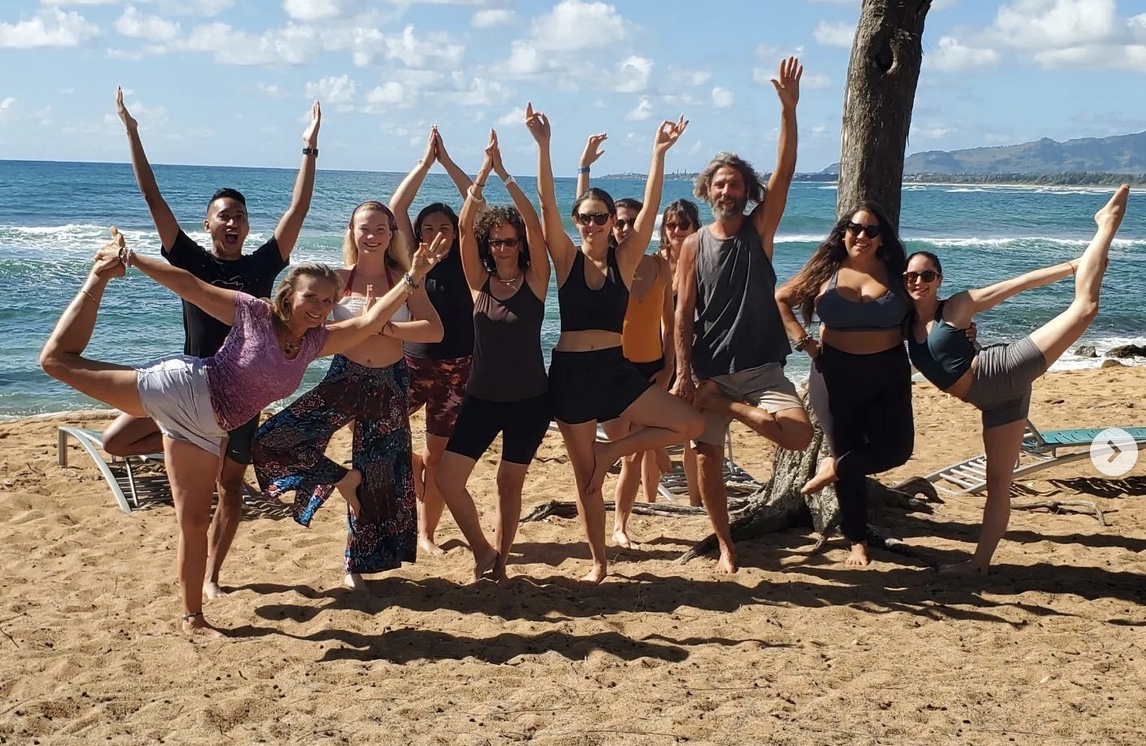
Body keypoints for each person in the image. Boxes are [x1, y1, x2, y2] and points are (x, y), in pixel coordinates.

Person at [40, 228, 447, 636]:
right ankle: (98, 277)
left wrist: (413, 277)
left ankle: (193, 618)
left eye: (328, 300)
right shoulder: (255, 313)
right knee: (57, 362)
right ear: (289, 295)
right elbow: (191, 285)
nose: (320, 307)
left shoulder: (316, 342)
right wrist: (131, 258)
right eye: (311, 297)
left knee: (195, 521)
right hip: (182, 390)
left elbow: (373, 320)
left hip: (206, 430)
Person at [104, 88, 320, 599]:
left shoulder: (263, 267)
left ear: (246, 226)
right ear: (208, 223)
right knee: (115, 441)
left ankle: (214, 576)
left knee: (230, 492)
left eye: (238, 216)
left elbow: (299, 207)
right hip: (186, 389)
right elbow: (154, 199)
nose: (231, 222)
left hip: (241, 399)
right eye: (222, 215)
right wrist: (133, 136)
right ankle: (184, 443)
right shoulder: (192, 262)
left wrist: (309, 147)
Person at [905, 185, 1128, 575]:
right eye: (911, 276)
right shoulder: (902, 325)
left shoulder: (956, 306)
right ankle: (978, 564)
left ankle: (1104, 226)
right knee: (998, 481)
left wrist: (1074, 266)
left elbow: (1018, 284)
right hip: (995, 402)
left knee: (1085, 308)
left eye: (927, 275)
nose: (918, 281)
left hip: (1002, 368)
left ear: (939, 279)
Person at [528, 102, 703, 584]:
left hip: (614, 370)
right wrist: (544, 147)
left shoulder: (626, 262)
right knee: (585, 481)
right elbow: (546, 205)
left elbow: (648, 212)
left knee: (688, 422)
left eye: (600, 216)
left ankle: (613, 452)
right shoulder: (565, 258)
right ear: (578, 219)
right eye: (584, 216)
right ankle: (600, 560)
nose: (592, 223)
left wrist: (658, 153)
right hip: (569, 377)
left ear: (610, 220)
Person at [251, 201, 443, 592]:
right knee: (272, 439)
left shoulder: (405, 279)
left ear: (392, 235)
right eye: (363, 229)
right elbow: (302, 314)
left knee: (379, 476)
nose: (371, 237)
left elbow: (434, 331)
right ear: (351, 233)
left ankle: (354, 564)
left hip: (389, 385)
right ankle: (341, 478)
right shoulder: (337, 281)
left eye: (380, 230)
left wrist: (385, 327)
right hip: (345, 378)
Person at [672, 56, 811, 575]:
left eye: (736, 185)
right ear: (707, 191)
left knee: (798, 435)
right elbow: (684, 312)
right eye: (720, 184)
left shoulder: (759, 231)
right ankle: (726, 544)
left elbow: (787, 167)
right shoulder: (691, 245)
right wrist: (685, 372)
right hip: (709, 369)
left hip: (761, 369)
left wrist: (789, 110)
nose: (728, 191)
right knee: (706, 460)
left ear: (746, 193)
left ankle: (727, 409)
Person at [434, 129, 552, 583]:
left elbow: (536, 226)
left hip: (529, 400)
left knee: (509, 484)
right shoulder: (478, 284)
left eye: (509, 241)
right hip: (481, 398)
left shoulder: (536, 281)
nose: (503, 248)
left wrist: (505, 174)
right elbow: (465, 227)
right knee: (447, 479)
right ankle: (483, 551)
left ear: (519, 245)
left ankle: (499, 565)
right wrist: (481, 173)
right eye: (496, 242)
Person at [776, 202, 913, 567]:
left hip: (889, 371)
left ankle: (832, 468)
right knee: (848, 448)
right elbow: (782, 298)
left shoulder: (898, 272)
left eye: (871, 231)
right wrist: (805, 344)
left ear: (882, 238)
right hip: (834, 372)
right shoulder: (827, 269)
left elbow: (928, 308)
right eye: (855, 229)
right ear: (844, 232)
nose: (862, 237)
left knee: (897, 450)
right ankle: (857, 540)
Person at [576, 143, 676, 545]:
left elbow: (670, 321)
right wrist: (584, 167)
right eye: (618, 221)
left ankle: (619, 525)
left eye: (632, 221)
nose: (623, 227)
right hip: (613, 370)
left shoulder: (659, 265)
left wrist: (670, 366)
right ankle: (611, 523)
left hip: (650, 368)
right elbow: (582, 213)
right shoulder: (601, 264)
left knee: (633, 454)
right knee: (625, 449)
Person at [390, 127, 476, 557]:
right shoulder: (412, 258)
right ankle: (414, 465)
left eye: (446, 226)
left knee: (440, 460)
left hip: (459, 367)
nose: (438, 233)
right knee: (388, 435)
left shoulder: (466, 257)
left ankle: (426, 534)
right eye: (429, 227)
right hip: (413, 363)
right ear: (418, 234)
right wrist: (426, 164)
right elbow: (396, 206)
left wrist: (450, 162)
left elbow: (476, 204)